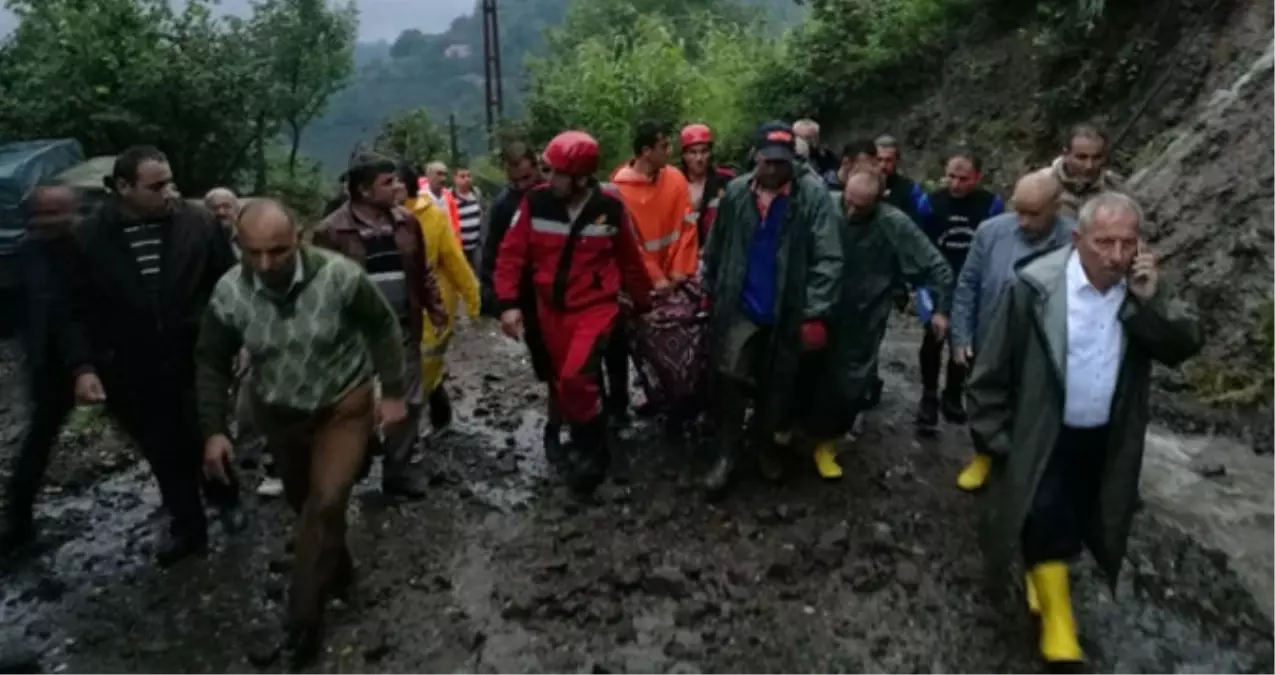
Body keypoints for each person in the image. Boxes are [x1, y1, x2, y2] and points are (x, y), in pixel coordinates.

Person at [966, 191, 1200, 669]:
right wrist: (1002, 442)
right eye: (1104, 243)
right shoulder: (1034, 288)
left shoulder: (1138, 291)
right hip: (1041, 431)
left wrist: (1153, 302)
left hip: (1103, 435)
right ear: (1077, 240)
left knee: (1074, 512)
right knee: (1044, 509)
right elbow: (990, 373)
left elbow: (1182, 346)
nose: (1116, 256)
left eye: (1127, 243)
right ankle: (1059, 626)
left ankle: (1043, 575)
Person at [195, 199, 409, 667]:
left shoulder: (339, 276)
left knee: (326, 501)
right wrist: (214, 430)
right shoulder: (230, 293)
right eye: (253, 253)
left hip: (343, 405)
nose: (265, 265)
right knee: (306, 504)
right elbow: (211, 360)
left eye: (277, 251)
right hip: (280, 412)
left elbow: (383, 328)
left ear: (299, 237)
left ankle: (302, 623)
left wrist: (392, 393)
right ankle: (342, 571)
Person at [64, 145, 243, 566]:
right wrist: (83, 366)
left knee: (208, 432)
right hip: (129, 363)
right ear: (123, 187)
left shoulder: (198, 223)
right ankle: (188, 526)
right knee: (163, 449)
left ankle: (226, 498)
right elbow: (73, 308)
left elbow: (229, 285)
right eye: (156, 185)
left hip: (195, 356)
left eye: (170, 182)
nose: (169, 192)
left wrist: (237, 340)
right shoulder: (89, 237)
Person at [493, 130, 652, 495]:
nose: (549, 180)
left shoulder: (609, 207)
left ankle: (593, 454)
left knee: (577, 376)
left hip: (595, 307)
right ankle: (584, 440)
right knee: (562, 382)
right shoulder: (535, 203)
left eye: (558, 173)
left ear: (581, 177)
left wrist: (644, 304)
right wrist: (508, 304)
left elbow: (629, 259)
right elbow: (511, 255)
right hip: (551, 310)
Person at [700, 121, 842, 494]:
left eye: (782, 163)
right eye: (768, 162)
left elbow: (828, 257)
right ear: (755, 158)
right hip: (740, 304)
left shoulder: (811, 196)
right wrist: (708, 287)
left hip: (787, 308)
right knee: (729, 377)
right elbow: (716, 244)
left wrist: (814, 309)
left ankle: (765, 446)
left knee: (777, 383)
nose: (775, 170)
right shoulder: (734, 193)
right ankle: (727, 453)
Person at [314, 153, 448, 500]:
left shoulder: (406, 222)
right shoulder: (331, 231)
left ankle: (397, 473)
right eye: (387, 183)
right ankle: (359, 454)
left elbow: (420, 271)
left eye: (396, 180)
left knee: (411, 401)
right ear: (363, 190)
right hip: (355, 335)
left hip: (402, 327)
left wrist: (434, 306)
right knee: (356, 404)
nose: (398, 187)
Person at [804, 172, 952, 477]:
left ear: (879, 202)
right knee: (804, 369)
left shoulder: (893, 223)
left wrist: (941, 309)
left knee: (849, 382)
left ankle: (827, 444)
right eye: (849, 202)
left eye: (861, 207)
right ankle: (794, 430)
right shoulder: (825, 205)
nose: (852, 212)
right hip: (818, 305)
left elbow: (937, 266)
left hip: (863, 315)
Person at [950, 170, 1075, 491]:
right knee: (985, 398)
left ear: (1056, 207)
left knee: (1035, 407)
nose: (1022, 221)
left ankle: (1031, 467)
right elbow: (968, 284)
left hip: (1045, 343)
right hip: (990, 335)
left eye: (1033, 214)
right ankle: (984, 455)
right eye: (1018, 210)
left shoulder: (1074, 241)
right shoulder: (990, 232)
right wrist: (961, 335)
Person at [1, 182, 86, 554]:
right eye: (43, 213)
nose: (51, 221)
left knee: (150, 427)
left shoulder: (91, 247)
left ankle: (193, 502)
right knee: (38, 438)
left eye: (59, 212)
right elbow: (8, 311)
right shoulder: (23, 255)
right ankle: (18, 522)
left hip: (104, 358)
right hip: (47, 363)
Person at [915, 152, 1005, 432]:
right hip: (936, 279)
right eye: (951, 176)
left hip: (974, 281)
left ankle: (953, 392)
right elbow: (919, 242)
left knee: (963, 340)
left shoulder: (991, 205)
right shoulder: (930, 203)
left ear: (977, 177)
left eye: (963, 178)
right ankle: (928, 394)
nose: (955, 183)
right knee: (933, 336)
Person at [399, 162, 480, 430]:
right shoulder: (374, 217)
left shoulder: (431, 214)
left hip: (431, 300)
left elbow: (453, 258)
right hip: (395, 303)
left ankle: (417, 427)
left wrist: (473, 299)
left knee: (426, 364)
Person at [611, 120, 698, 290]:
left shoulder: (676, 179)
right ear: (646, 151)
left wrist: (680, 269)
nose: (670, 151)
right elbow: (629, 244)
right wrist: (655, 277)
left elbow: (688, 225)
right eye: (664, 146)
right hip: (641, 284)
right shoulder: (618, 191)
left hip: (677, 279)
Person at [1049, 122, 1124, 219]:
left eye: (1097, 157)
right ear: (1066, 154)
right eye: (1082, 157)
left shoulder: (1117, 191)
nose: (1089, 166)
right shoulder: (1043, 187)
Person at [678, 123, 736, 245]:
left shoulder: (726, 180)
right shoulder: (674, 184)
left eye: (704, 152)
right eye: (693, 153)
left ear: (710, 153)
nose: (699, 158)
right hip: (686, 252)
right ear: (684, 155)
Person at [874, 134, 928, 223]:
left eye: (888, 160)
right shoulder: (861, 185)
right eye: (879, 159)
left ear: (897, 161)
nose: (883, 165)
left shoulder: (909, 189)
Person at [793, 119, 841, 188]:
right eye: (797, 137)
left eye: (807, 138)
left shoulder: (827, 157)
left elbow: (831, 182)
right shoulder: (788, 159)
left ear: (816, 138)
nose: (800, 142)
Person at [420, 161, 462, 240]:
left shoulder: (448, 197)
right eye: (439, 174)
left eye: (444, 174)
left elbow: (455, 225)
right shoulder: (420, 198)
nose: (443, 178)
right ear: (429, 176)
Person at [453, 166, 483, 267]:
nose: (466, 179)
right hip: (458, 249)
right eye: (462, 176)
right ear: (455, 179)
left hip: (475, 248)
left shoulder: (476, 194)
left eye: (469, 176)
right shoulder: (449, 197)